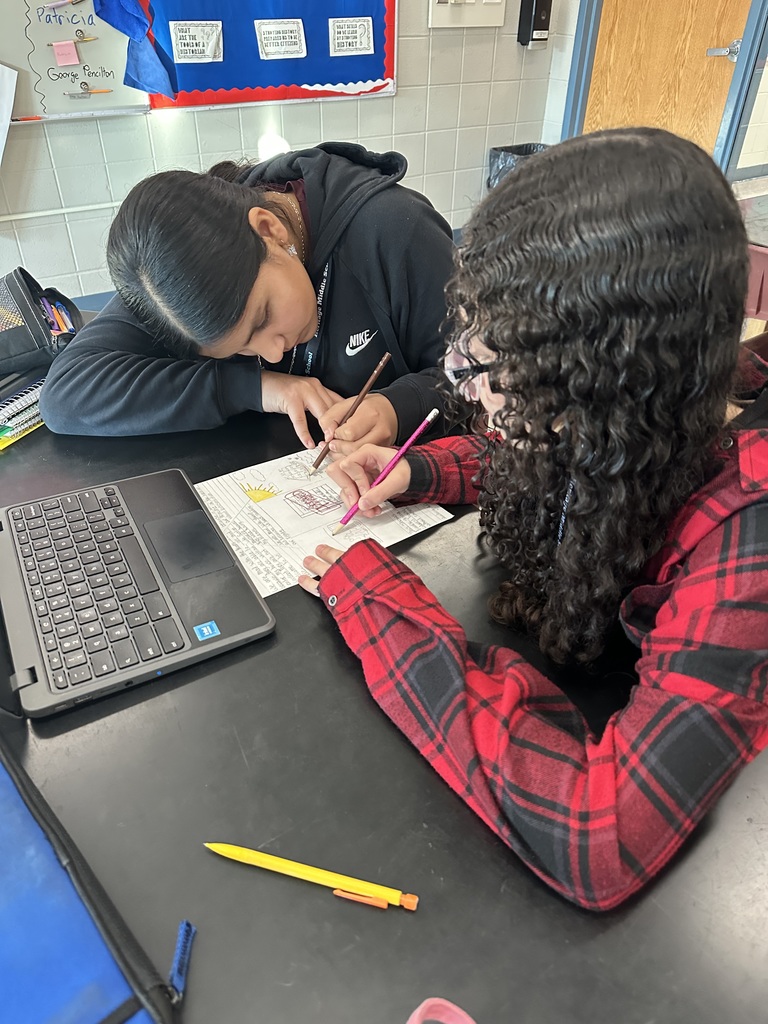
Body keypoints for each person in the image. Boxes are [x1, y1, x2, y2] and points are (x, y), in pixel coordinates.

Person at [298, 127, 768, 911]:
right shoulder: (637, 418)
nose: (468, 384)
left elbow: (604, 837)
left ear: (609, 370)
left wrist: (384, 607)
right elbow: (575, 452)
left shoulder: (749, 532)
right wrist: (418, 469)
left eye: (501, 358)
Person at [40, 143, 455, 450]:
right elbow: (66, 394)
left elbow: (496, 371)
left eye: (261, 318)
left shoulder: (396, 231)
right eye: (239, 348)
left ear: (270, 230)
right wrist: (254, 387)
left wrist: (398, 407)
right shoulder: (171, 280)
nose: (273, 353)